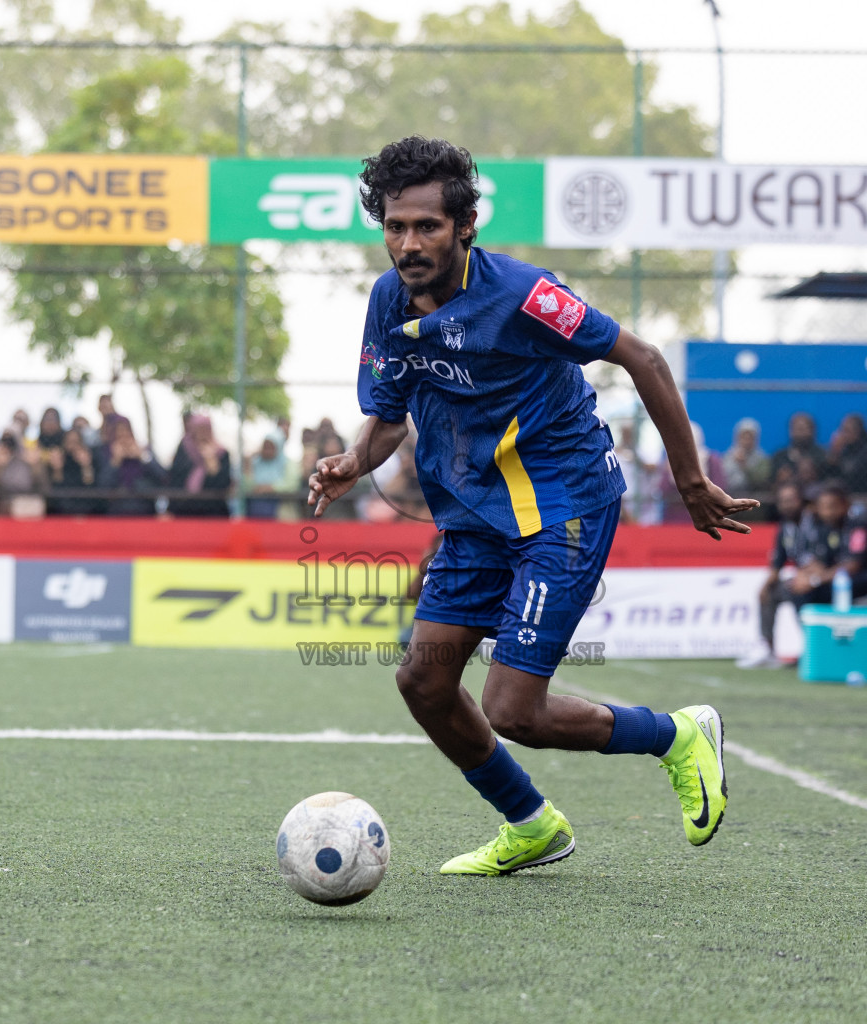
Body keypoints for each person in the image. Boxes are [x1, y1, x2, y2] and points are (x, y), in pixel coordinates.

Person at [308, 137, 756, 876]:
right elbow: (388, 412)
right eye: (395, 226)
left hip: (564, 503)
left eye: (427, 226)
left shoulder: (524, 295)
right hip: (475, 517)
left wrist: (690, 480)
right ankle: (532, 825)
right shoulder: (388, 300)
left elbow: (642, 357)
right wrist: (356, 461)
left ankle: (677, 735)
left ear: (465, 226)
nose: (409, 243)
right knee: (423, 681)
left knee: (515, 709)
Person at [743, 484, 867, 670]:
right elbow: (812, 562)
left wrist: (813, 580)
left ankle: (817, 649)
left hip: (857, 582)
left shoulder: (852, 525)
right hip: (826, 580)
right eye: (823, 507)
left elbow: (851, 565)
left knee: (804, 591)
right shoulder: (797, 527)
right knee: (781, 590)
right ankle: (769, 647)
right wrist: (773, 583)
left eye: (831, 506)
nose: (827, 512)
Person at [737, 482, 816, 668]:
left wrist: (808, 576)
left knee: (799, 590)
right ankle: (767, 647)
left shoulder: (815, 522)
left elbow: (822, 558)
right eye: (782, 501)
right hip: (798, 580)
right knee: (770, 593)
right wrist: (765, 586)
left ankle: (812, 648)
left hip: (818, 579)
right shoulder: (785, 527)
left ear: (801, 500)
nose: (787, 505)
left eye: (791, 500)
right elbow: (778, 563)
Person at [168, 413, 231, 517]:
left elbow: (224, 484)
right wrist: (170, 508)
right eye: (199, 428)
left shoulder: (222, 453)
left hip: (213, 512)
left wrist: (212, 463)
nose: (202, 432)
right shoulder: (184, 449)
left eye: (205, 428)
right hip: (185, 510)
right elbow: (175, 479)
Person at [45, 426, 99, 515]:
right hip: (61, 510)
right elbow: (55, 489)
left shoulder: (88, 460)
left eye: (75, 442)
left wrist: (86, 466)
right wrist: (57, 469)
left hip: (85, 508)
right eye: (69, 441)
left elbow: (90, 486)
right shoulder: (60, 460)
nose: (72, 445)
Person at [828, 412, 867, 496]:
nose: (843, 434)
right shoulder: (845, 449)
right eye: (842, 430)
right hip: (845, 494)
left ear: (858, 431)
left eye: (847, 430)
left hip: (865, 494)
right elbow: (833, 474)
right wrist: (835, 453)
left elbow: (852, 473)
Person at [769, 412, 828, 487]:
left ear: (812, 431)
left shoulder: (822, 455)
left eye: (802, 428)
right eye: (796, 429)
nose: (799, 433)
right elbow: (770, 481)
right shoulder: (779, 456)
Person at [245, 434, 291, 518]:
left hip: (278, 509)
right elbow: (246, 486)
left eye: (270, 448)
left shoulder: (286, 463)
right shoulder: (255, 463)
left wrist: (270, 488)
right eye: (265, 447)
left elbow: (291, 485)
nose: (267, 451)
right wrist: (248, 464)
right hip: (254, 510)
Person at [721, 417, 770, 493]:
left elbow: (761, 480)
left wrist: (744, 466)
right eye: (744, 437)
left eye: (750, 438)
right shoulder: (727, 457)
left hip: (754, 495)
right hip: (730, 495)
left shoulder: (762, 459)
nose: (747, 441)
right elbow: (721, 478)